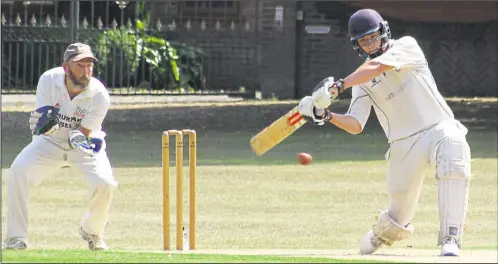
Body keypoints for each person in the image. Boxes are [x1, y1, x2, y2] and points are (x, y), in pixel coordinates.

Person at [298, 9, 471, 257]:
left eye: (373, 37)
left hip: (438, 128)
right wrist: (325, 116)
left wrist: (338, 86)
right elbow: (356, 124)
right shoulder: (360, 81)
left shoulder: (406, 47)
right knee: (397, 218)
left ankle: (450, 238)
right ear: (356, 45)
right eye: (363, 41)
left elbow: (378, 66)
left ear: (383, 32)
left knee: (455, 150)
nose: (370, 44)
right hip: (403, 146)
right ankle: (381, 234)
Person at [2, 43, 117, 251]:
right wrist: (44, 126)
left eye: (89, 65)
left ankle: (92, 231)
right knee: (18, 171)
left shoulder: (100, 95)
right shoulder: (48, 80)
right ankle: (16, 238)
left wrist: (75, 136)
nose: (86, 71)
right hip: (50, 143)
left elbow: (82, 133)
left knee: (105, 183)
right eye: (80, 65)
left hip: (85, 145)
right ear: (66, 67)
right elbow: (44, 118)